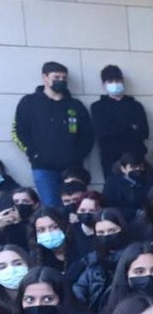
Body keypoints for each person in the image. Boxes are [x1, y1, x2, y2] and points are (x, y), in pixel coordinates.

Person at [12, 61, 94, 207]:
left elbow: (88, 135)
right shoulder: (29, 103)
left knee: (77, 206)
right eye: (56, 77)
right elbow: (20, 131)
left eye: (64, 78)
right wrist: (34, 153)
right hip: (43, 168)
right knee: (51, 207)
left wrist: (77, 155)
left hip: (72, 168)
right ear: (45, 77)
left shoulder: (75, 105)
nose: (60, 81)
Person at [90, 65, 149, 180]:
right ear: (104, 85)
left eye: (118, 80)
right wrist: (130, 127)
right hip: (111, 159)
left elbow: (144, 132)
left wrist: (115, 128)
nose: (115, 84)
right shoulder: (98, 107)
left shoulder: (135, 105)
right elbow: (102, 133)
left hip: (136, 158)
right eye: (110, 81)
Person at [71, 208, 130, 314]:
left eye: (112, 230)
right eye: (101, 232)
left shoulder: (135, 258)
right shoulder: (92, 261)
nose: (106, 235)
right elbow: (79, 290)